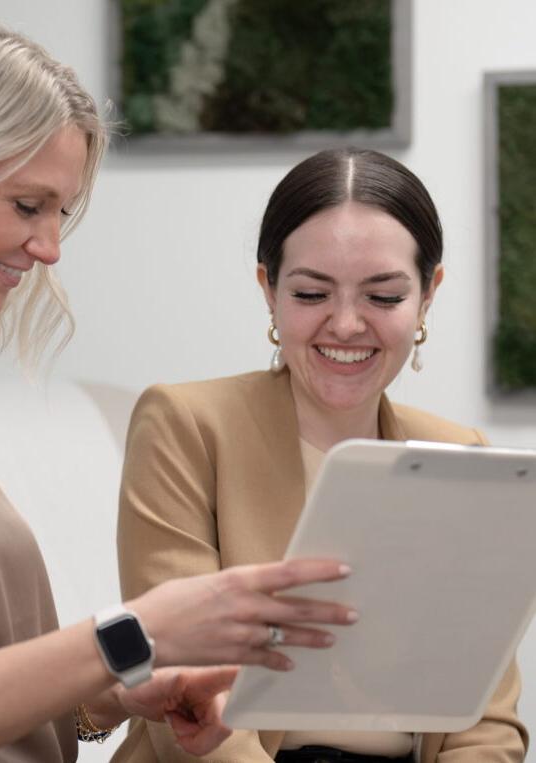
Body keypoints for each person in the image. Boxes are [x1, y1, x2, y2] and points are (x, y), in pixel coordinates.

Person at [0, 18, 364, 763]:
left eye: (61, 212)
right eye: (27, 205)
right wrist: (136, 630)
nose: (50, 247)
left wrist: (113, 686)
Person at [114, 149, 529, 763]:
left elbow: (486, 724)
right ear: (269, 288)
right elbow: (191, 704)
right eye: (311, 293)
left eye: (383, 297)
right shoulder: (187, 426)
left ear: (428, 295)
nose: (345, 324)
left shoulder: (458, 454)